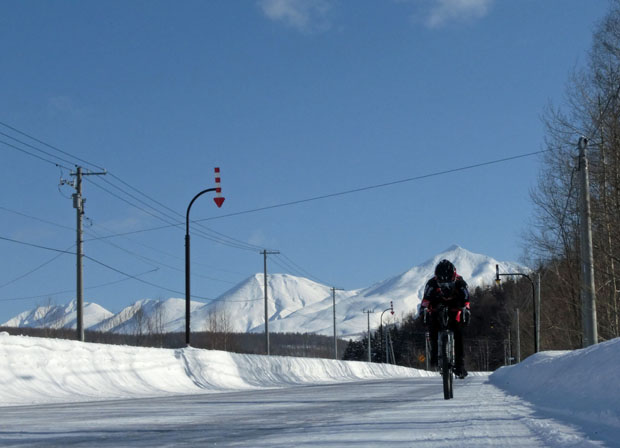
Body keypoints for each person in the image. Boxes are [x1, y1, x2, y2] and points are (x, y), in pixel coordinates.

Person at [419, 259, 471, 378]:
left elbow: (466, 299)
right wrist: (423, 311)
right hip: (437, 307)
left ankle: (460, 364)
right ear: (437, 278)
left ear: (454, 276)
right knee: (433, 325)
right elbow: (426, 300)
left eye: (449, 282)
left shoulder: (461, 283)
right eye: (442, 283)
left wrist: (466, 310)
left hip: (455, 308)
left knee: (459, 332)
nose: (446, 286)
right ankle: (434, 354)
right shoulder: (431, 284)